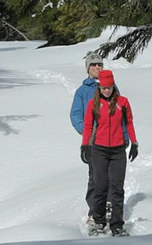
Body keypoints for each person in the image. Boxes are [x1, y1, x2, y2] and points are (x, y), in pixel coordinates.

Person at [80, 70, 138, 237]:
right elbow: (88, 125)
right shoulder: (93, 103)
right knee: (100, 186)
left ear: (114, 86)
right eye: (104, 88)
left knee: (117, 188)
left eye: (110, 87)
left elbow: (129, 123)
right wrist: (85, 145)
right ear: (99, 87)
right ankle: (98, 221)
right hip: (99, 149)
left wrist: (134, 142)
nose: (107, 90)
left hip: (118, 150)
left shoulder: (123, 102)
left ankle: (117, 225)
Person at [69, 52, 105, 224]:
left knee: (112, 176)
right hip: (92, 141)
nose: (97, 67)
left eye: (99, 64)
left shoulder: (111, 87)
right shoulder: (82, 91)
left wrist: (124, 135)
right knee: (95, 177)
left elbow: (121, 112)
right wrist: (86, 132)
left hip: (112, 139)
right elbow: (75, 115)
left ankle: (110, 207)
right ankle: (94, 211)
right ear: (88, 69)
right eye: (93, 65)